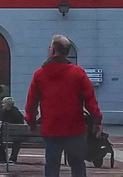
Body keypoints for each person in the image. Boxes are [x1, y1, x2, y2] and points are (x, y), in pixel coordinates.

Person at [25, 34, 102, 177]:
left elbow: (32, 101)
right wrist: (96, 120)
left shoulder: (39, 74)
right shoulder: (78, 73)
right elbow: (90, 99)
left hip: (51, 127)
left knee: (52, 165)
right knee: (77, 164)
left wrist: (31, 120)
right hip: (74, 127)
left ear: (53, 50)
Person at [0, 96, 26, 163]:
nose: (2, 105)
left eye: (4, 103)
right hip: (13, 135)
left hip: (13, 135)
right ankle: (8, 157)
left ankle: (1, 157)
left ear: (8, 104)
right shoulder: (15, 113)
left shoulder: (11, 113)